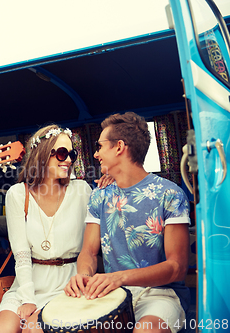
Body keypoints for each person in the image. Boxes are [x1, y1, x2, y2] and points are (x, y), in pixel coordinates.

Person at [64, 112, 190, 333]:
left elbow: (176, 268)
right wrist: (84, 275)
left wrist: (120, 277)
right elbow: (89, 252)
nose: (96, 153)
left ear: (119, 147)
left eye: (100, 146)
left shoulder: (170, 194)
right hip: (113, 295)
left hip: (160, 295)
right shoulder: (99, 195)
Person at [0, 125, 111, 333]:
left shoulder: (82, 191)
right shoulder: (17, 194)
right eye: (61, 153)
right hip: (29, 281)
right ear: (41, 154)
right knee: (4, 329)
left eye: (71, 154)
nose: (68, 159)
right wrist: (28, 300)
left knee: (34, 329)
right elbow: (21, 254)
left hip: (69, 282)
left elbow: (107, 220)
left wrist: (111, 184)